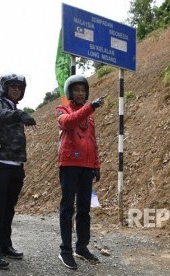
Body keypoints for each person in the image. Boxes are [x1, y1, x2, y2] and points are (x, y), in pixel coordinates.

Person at [0, 71, 36, 270]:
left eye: (20, 88)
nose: (16, 90)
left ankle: (5, 245)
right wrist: (18, 115)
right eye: (13, 86)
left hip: (15, 166)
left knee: (7, 209)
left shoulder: (15, 108)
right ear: (4, 88)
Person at [56, 75, 105, 270]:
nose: (80, 93)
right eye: (76, 90)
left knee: (84, 209)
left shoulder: (89, 114)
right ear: (70, 92)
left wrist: (96, 165)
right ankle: (65, 250)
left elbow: (92, 141)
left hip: (86, 166)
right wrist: (90, 107)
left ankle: (81, 247)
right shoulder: (62, 109)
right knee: (68, 208)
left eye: (83, 90)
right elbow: (67, 122)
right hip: (69, 164)